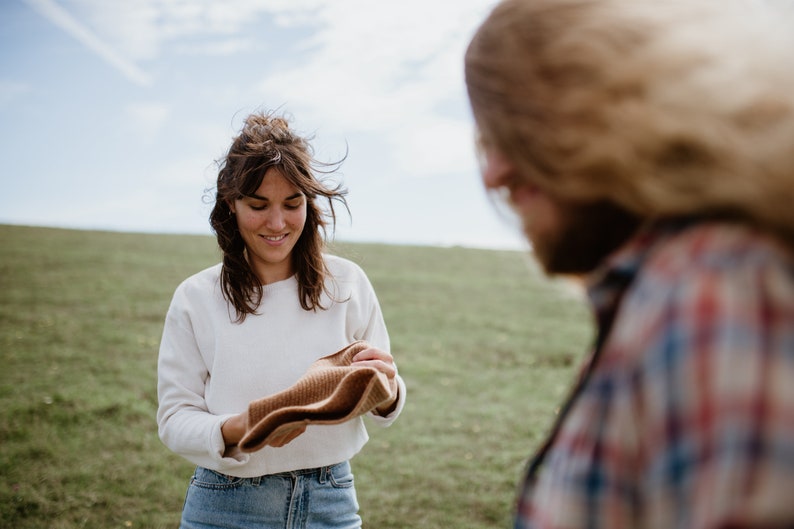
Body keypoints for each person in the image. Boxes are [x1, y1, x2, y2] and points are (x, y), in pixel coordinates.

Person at [464, 0, 794, 528]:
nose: (494, 174)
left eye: (518, 127)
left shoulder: (711, 294)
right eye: (490, 139)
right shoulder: (664, 296)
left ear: (616, 107)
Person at [156, 110, 406, 529]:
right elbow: (175, 419)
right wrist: (242, 428)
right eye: (258, 205)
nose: (277, 223)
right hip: (225, 505)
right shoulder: (195, 298)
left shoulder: (346, 283)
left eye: (293, 205)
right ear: (230, 204)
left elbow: (389, 401)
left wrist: (385, 386)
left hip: (331, 501)